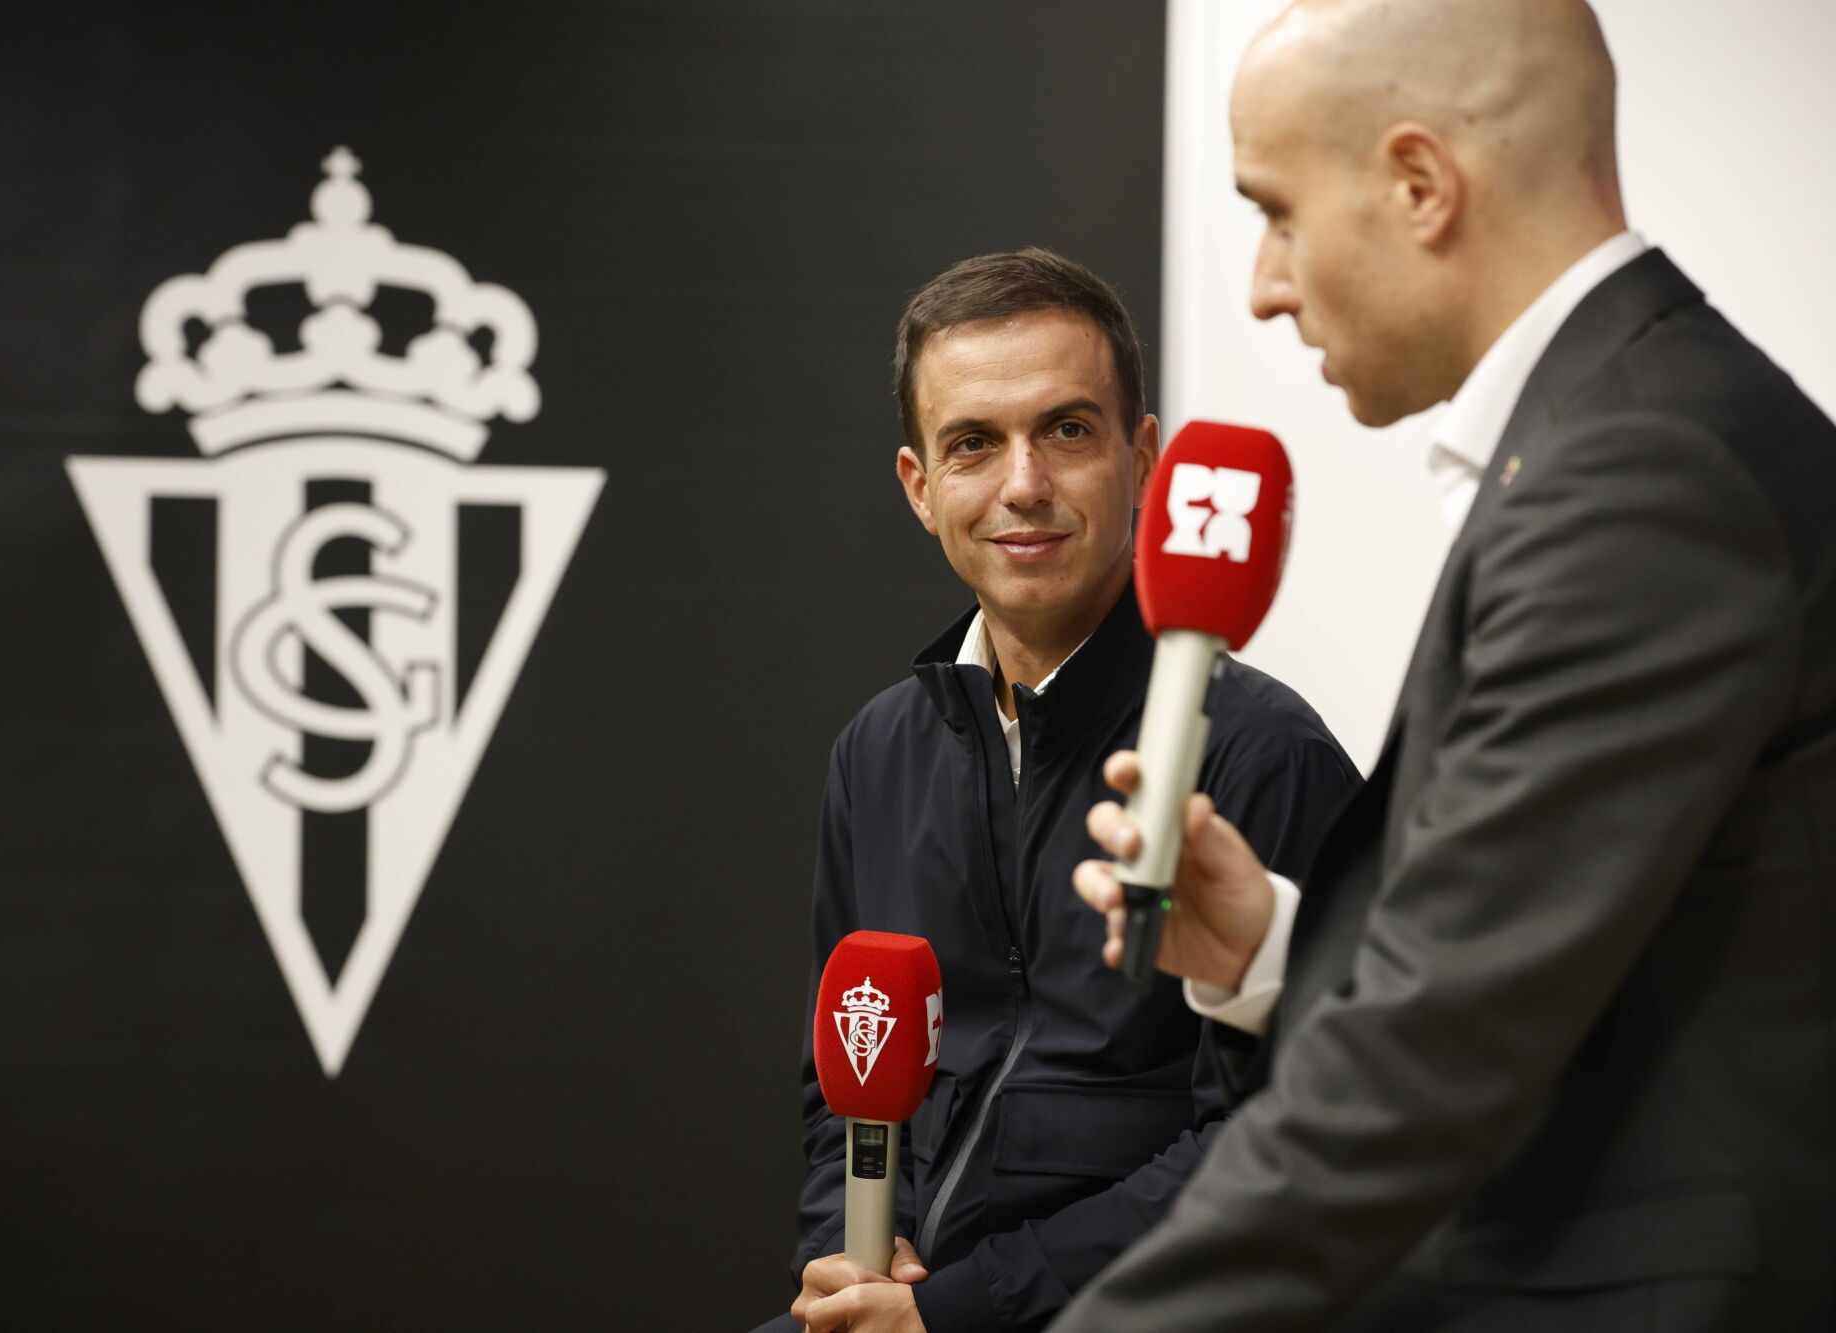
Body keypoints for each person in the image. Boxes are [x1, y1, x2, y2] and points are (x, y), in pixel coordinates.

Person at [1061, 1, 1836, 1328]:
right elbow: (1557, 969)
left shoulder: (1643, 474)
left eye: (1278, 213)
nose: (1262, 285)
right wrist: (1271, 949)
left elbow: (1428, 1058)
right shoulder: (1622, 433)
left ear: (1420, 184)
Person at [762, 249, 1359, 1333]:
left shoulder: (1263, 755)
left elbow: (1278, 1139)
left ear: (1146, 459)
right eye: (974, 444)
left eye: (1067, 431)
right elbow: (839, 1085)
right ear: (920, 487)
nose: (1023, 484)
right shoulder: (876, 752)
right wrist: (847, 1268)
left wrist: (961, 1314)